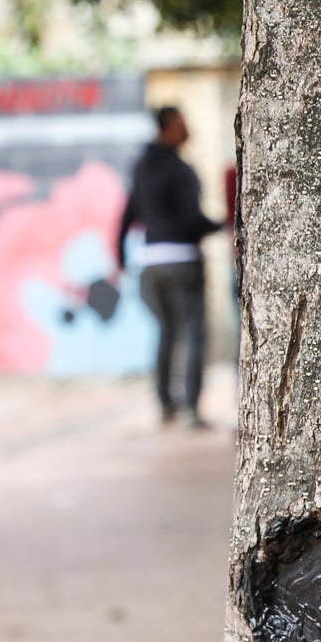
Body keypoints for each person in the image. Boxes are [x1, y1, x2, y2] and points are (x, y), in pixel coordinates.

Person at [117, 106, 223, 427]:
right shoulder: (180, 169)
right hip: (183, 260)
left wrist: (120, 255)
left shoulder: (141, 166)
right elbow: (192, 219)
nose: (188, 129)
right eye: (182, 124)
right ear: (167, 128)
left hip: (151, 262)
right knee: (192, 333)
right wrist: (219, 226)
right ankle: (191, 408)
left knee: (166, 332)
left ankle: (165, 404)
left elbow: (128, 212)